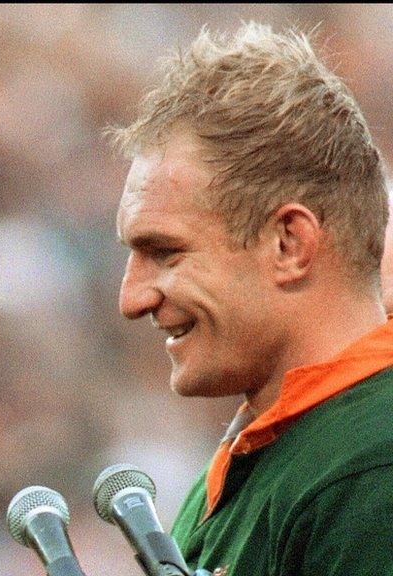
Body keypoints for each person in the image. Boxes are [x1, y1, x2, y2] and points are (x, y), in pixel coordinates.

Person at [113, 23, 393, 575]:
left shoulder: (372, 471)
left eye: (166, 252)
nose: (132, 298)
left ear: (289, 243)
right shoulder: (272, 454)